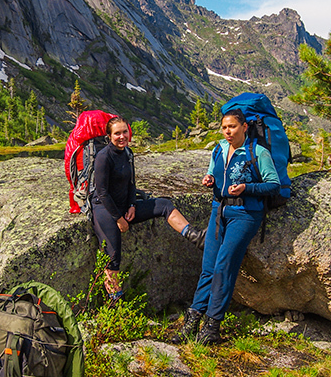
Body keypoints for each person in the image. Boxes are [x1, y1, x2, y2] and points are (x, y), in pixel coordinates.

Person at [179, 109, 281, 345]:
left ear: (244, 127)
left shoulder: (258, 152)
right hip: (219, 210)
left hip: (245, 214)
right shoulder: (219, 149)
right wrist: (209, 180)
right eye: (224, 127)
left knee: (224, 265)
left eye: (232, 127)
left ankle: (212, 326)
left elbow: (273, 185)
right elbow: (211, 172)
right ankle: (192, 321)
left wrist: (248, 188)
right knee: (208, 266)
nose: (227, 131)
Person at [91, 116, 204, 300]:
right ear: (109, 136)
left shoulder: (128, 153)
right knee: (113, 256)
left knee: (164, 205)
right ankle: (116, 304)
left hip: (124, 206)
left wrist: (132, 205)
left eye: (125, 132)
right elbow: (102, 193)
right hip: (105, 209)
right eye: (117, 133)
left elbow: (131, 184)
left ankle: (195, 237)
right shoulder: (104, 157)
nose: (122, 136)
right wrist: (119, 218)